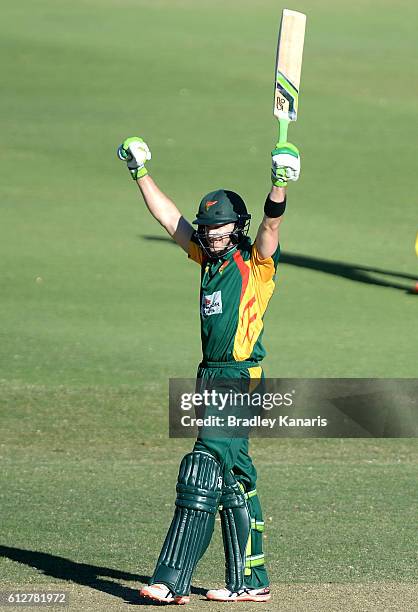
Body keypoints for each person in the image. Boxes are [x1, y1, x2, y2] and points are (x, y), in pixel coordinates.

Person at [117, 135, 300, 604]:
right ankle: (251, 582)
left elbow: (272, 230)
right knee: (235, 481)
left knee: (201, 468)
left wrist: (278, 184)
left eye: (219, 230)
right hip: (210, 376)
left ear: (236, 228)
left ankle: (170, 580)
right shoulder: (206, 259)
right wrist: (140, 171)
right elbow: (168, 217)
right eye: (207, 229)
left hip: (238, 377)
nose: (211, 235)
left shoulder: (254, 265)